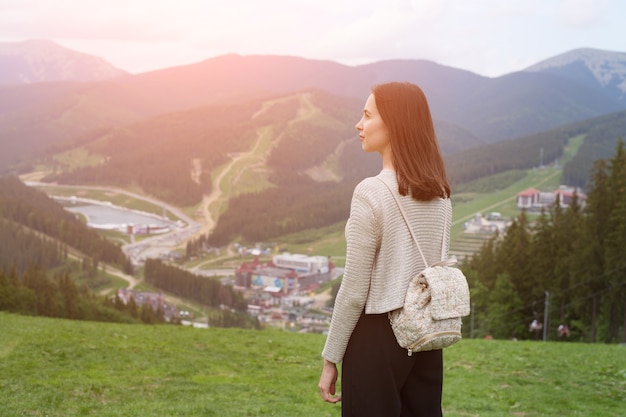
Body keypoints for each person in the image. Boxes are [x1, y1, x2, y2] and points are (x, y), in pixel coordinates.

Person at [318, 82, 452, 416]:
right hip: (426, 335)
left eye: (367, 115)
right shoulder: (441, 193)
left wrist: (331, 355)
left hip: (376, 335)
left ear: (393, 123)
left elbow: (354, 289)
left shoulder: (371, 192)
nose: (358, 124)